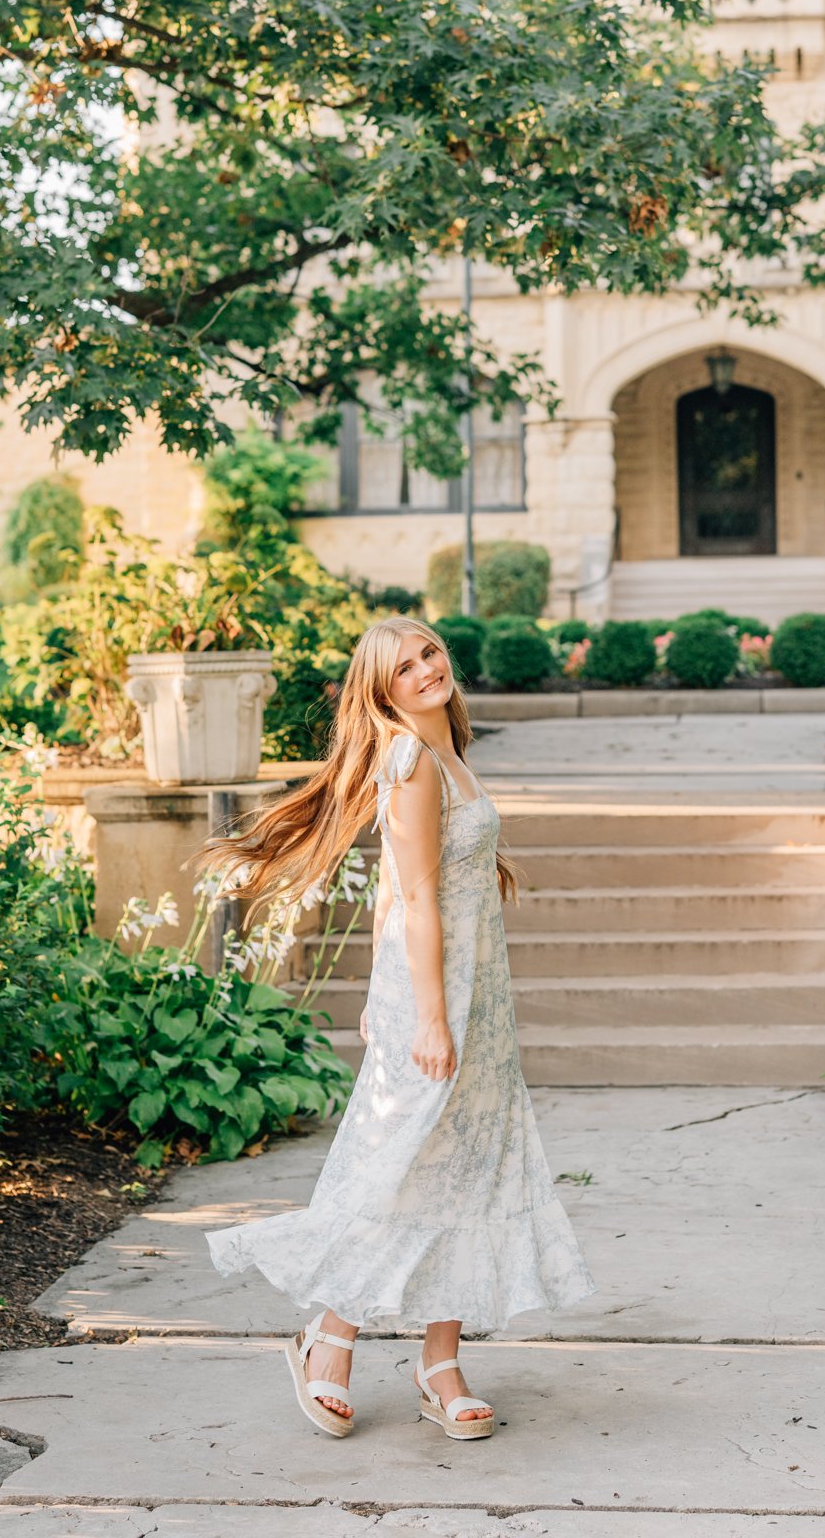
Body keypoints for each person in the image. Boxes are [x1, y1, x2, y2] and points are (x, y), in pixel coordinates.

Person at [203, 615, 593, 1439]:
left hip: (473, 996)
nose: (424, 669)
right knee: (401, 1166)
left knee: (471, 1167)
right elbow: (414, 899)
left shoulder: (445, 750)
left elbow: (396, 885)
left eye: (429, 653)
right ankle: (329, 1338)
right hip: (437, 999)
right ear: (380, 690)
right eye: (403, 666)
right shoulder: (412, 760)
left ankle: (438, 1362)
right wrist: (422, 1015)